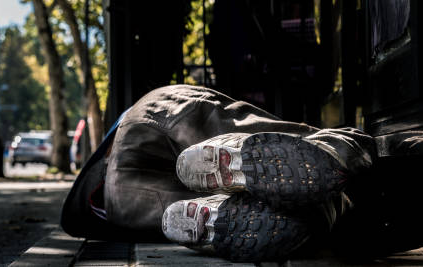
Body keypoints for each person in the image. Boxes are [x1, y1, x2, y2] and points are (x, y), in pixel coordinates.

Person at [61, 84, 381, 262]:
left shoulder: (100, 208)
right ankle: (334, 149)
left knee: (287, 213)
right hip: (151, 117)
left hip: (120, 205)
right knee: (309, 145)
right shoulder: (142, 115)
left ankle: (219, 213)